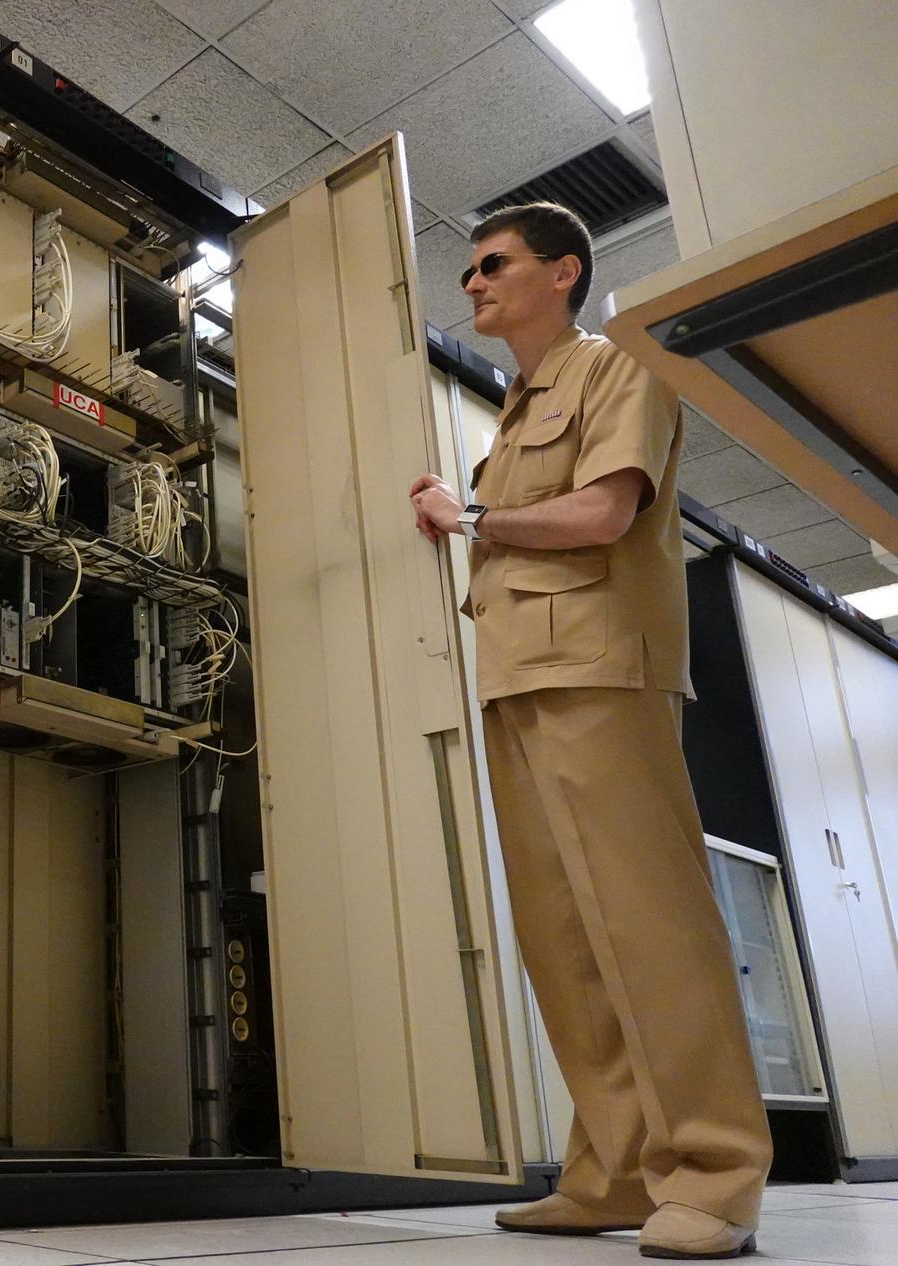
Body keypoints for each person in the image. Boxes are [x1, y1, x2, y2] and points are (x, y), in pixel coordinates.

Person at [409, 202, 772, 1261]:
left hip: (600, 671)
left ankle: (715, 1177)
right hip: (518, 678)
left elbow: (602, 514)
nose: (473, 283)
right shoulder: (515, 412)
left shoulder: (619, 367)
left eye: (493, 263)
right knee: (563, 940)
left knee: (649, 924)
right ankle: (611, 1174)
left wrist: (470, 517)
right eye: (469, 270)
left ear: (562, 271)